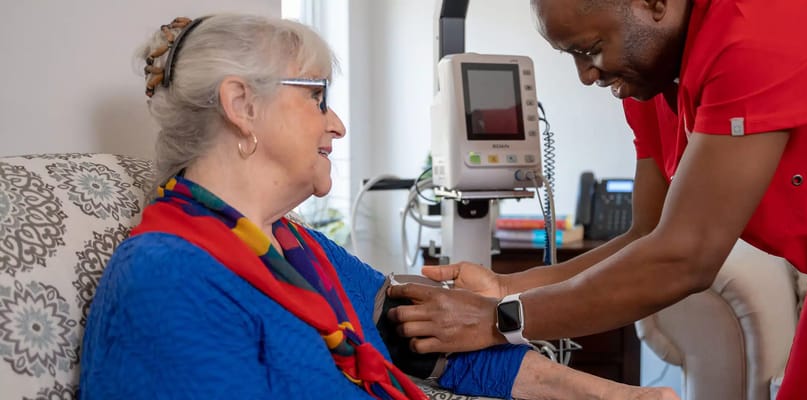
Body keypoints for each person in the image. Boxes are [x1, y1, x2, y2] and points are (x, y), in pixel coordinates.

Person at [79, 13, 678, 400]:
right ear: (242, 105)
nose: (335, 123)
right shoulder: (167, 277)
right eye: (317, 98)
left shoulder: (298, 250)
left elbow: (443, 341)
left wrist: (623, 397)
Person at [386, 0, 807, 399]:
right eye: (571, 56)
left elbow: (684, 259)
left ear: (654, 3)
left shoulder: (759, 27)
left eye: (590, 50)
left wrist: (500, 321)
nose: (586, 75)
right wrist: (504, 287)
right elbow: (649, 238)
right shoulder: (651, 84)